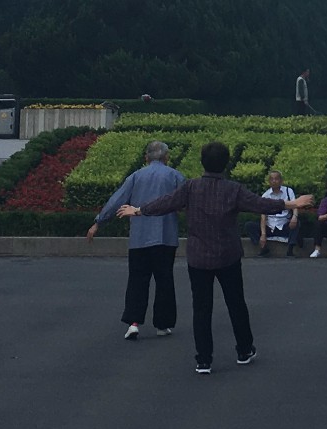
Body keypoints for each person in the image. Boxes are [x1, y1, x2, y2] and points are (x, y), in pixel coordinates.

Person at [116, 141, 312, 373]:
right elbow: (260, 204)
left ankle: (204, 360)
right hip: (227, 255)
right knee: (236, 303)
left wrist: (138, 210)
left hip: (198, 258)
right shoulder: (233, 189)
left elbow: (165, 203)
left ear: (203, 162)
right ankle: (244, 349)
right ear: (225, 163)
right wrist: (293, 203)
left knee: (201, 308)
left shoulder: (191, 188)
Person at [85, 140, 183, 339]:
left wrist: (98, 222)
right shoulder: (175, 176)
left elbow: (117, 200)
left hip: (139, 237)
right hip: (166, 237)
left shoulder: (136, 176)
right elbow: (185, 202)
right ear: (167, 157)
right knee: (165, 281)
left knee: (137, 280)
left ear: (146, 158)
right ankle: (162, 324)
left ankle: (134, 322)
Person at [248, 169, 304, 256]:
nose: (274, 181)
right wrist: (263, 234)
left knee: (297, 224)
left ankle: (290, 250)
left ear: (281, 180)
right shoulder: (266, 195)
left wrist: (295, 217)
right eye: (272, 179)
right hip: (270, 227)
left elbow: (295, 205)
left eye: (276, 179)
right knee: (249, 225)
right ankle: (264, 248)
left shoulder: (288, 191)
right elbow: (263, 217)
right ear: (269, 181)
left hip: (284, 225)